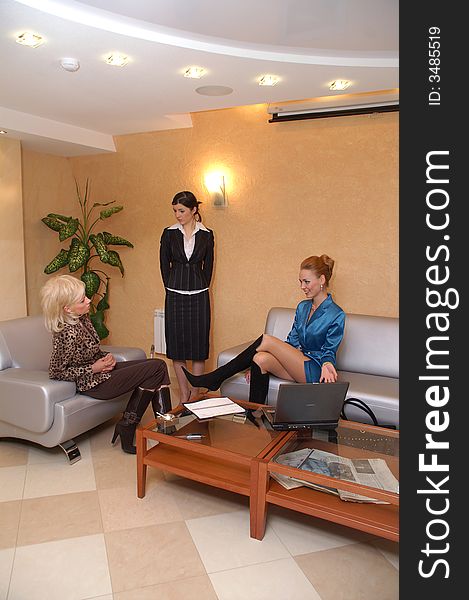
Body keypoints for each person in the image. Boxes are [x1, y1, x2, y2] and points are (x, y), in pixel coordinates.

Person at [182, 254, 345, 404]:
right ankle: (255, 418)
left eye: (306, 281)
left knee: (266, 339)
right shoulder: (302, 307)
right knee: (259, 359)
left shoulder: (336, 314)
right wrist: (253, 363)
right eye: (300, 281)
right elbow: (292, 342)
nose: (302, 286)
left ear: (322, 279)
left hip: (316, 369)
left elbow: (330, 350)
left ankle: (216, 377)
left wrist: (328, 364)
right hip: (298, 364)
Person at [40, 274, 171, 454]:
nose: (88, 300)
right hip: (93, 384)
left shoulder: (82, 319)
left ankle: (148, 429)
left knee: (158, 366)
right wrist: (94, 368)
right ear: (67, 308)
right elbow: (56, 372)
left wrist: (106, 357)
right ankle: (165, 432)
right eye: (82, 300)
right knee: (156, 367)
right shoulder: (65, 333)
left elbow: (91, 351)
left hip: (102, 372)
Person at [160, 190, 215, 403]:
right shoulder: (168, 233)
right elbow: (164, 265)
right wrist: (171, 286)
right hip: (175, 295)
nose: (177, 215)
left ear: (193, 210)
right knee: (178, 347)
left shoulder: (207, 234)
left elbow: (208, 266)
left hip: (199, 295)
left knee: (198, 348)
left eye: (181, 210)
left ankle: (195, 393)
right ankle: (183, 393)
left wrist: (201, 284)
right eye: (175, 210)